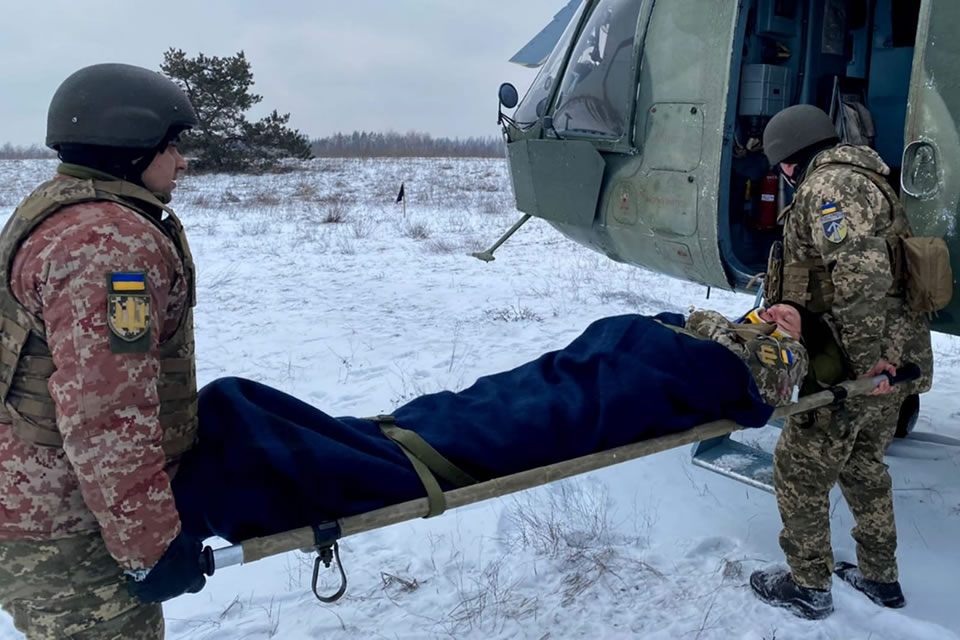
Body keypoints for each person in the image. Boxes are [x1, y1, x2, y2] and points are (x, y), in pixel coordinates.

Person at [0, 63, 208, 639]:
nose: (181, 161)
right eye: (172, 146)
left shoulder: (58, 208)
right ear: (131, 145)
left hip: (36, 503)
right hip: (64, 524)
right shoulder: (108, 244)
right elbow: (106, 414)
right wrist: (152, 546)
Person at [749, 104, 934, 619]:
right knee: (862, 464)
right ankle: (880, 578)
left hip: (860, 365)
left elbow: (861, 280)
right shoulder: (868, 177)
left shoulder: (828, 189)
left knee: (799, 469)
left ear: (790, 162)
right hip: (895, 358)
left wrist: (859, 368)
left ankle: (808, 586)